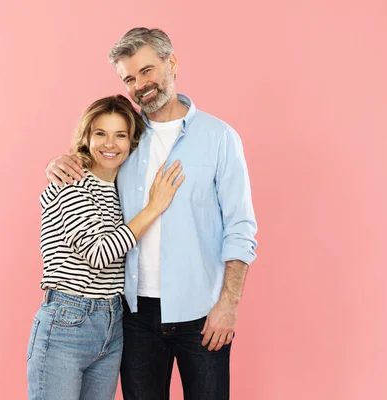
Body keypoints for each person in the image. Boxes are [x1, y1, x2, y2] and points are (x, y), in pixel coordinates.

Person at [45, 28, 258, 400]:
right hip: (134, 317)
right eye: (129, 78)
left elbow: (240, 228)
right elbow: (89, 174)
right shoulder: (125, 140)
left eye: (147, 70)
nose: (140, 84)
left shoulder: (219, 137)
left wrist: (228, 305)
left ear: (171, 62)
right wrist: (61, 162)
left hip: (202, 314)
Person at [26, 94, 185, 400]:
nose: (110, 144)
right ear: (86, 136)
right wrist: (155, 207)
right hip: (67, 322)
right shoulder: (70, 182)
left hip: (113, 323)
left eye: (120, 135)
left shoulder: (122, 187)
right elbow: (100, 253)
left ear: (132, 140)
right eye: (100, 133)